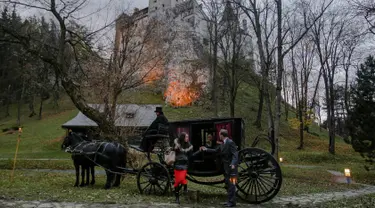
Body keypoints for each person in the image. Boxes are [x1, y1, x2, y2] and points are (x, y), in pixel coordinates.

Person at [200, 129, 238, 207]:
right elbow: (215, 150)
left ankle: (232, 202)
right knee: (228, 184)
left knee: (232, 184)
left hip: (232, 168)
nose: (219, 136)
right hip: (226, 168)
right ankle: (229, 201)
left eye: (219, 134)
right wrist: (206, 149)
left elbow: (235, 154)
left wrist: (233, 163)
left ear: (221, 135)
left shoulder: (230, 142)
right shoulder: (222, 144)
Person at [173, 132, 193, 204]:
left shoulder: (188, 144)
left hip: (184, 165)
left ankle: (185, 188)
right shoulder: (177, 144)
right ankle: (177, 198)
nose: (188, 138)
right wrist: (176, 148)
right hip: (178, 164)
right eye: (186, 137)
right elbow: (174, 150)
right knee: (177, 182)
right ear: (183, 138)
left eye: (188, 137)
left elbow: (190, 153)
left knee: (182, 178)